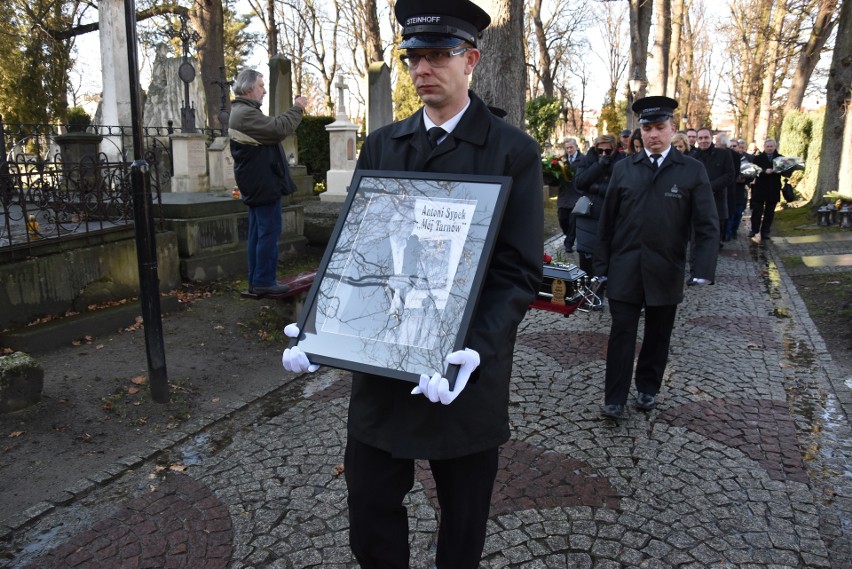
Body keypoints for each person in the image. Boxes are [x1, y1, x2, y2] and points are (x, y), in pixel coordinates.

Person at [282, 0, 543, 566]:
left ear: (470, 59)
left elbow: (519, 270)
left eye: (437, 56)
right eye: (413, 58)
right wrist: (320, 325)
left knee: (463, 518)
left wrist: (474, 347)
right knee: (371, 510)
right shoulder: (384, 145)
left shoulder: (512, 151)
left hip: (461, 370)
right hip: (384, 364)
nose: (422, 69)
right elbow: (361, 247)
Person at [594, 96, 719, 419]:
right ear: (640, 132)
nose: (653, 134)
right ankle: (615, 397)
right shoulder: (624, 169)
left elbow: (706, 224)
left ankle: (648, 388)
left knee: (658, 335)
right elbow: (606, 223)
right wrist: (601, 268)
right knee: (622, 334)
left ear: (672, 129)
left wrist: (702, 269)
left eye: (659, 127)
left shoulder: (691, 170)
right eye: (647, 128)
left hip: (666, 269)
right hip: (625, 268)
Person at [229, 69, 308, 296]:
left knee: (258, 233)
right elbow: (278, 129)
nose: (264, 90)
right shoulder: (245, 114)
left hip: (257, 182)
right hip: (262, 182)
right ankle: (263, 281)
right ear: (248, 88)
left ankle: (257, 281)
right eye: (261, 86)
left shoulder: (243, 111)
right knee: (268, 232)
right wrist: (297, 108)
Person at [574, 134, 624, 290]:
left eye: (607, 151)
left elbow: (619, 188)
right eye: (599, 150)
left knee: (607, 255)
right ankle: (589, 291)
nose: (603, 154)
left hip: (610, 214)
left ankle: (603, 289)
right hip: (588, 215)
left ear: (614, 150)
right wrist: (599, 165)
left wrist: (597, 188)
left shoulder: (621, 162)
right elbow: (580, 182)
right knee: (587, 255)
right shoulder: (589, 159)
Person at [693, 128, 735, 244]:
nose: (703, 141)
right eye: (700, 138)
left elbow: (730, 175)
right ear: (697, 140)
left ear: (711, 138)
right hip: (698, 202)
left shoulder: (724, 154)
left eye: (706, 137)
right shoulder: (693, 157)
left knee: (715, 236)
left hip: (718, 199)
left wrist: (711, 187)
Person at [749, 138, 783, 241]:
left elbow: (785, 171)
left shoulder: (780, 158)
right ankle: (754, 229)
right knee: (757, 211)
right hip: (760, 188)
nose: (769, 148)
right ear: (764, 147)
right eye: (767, 146)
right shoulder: (758, 158)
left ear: (775, 147)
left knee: (770, 212)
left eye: (771, 146)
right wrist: (764, 171)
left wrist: (777, 170)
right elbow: (754, 171)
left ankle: (765, 231)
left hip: (773, 188)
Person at [557, 138, 584, 252]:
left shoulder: (583, 160)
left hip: (577, 195)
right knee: (563, 219)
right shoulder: (561, 160)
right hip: (564, 195)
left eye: (571, 147)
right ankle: (569, 235)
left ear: (576, 147)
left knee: (573, 221)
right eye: (567, 148)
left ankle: (568, 244)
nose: (569, 150)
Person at [726, 139, 751, 240]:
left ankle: (734, 231)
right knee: (728, 215)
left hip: (740, 191)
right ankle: (727, 234)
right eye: (730, 146)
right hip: (728, 191)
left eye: (734, 146)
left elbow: (750, 175)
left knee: (737, 213)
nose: (732, 148)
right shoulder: (725, 158)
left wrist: (744, 179)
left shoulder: (744, 159)